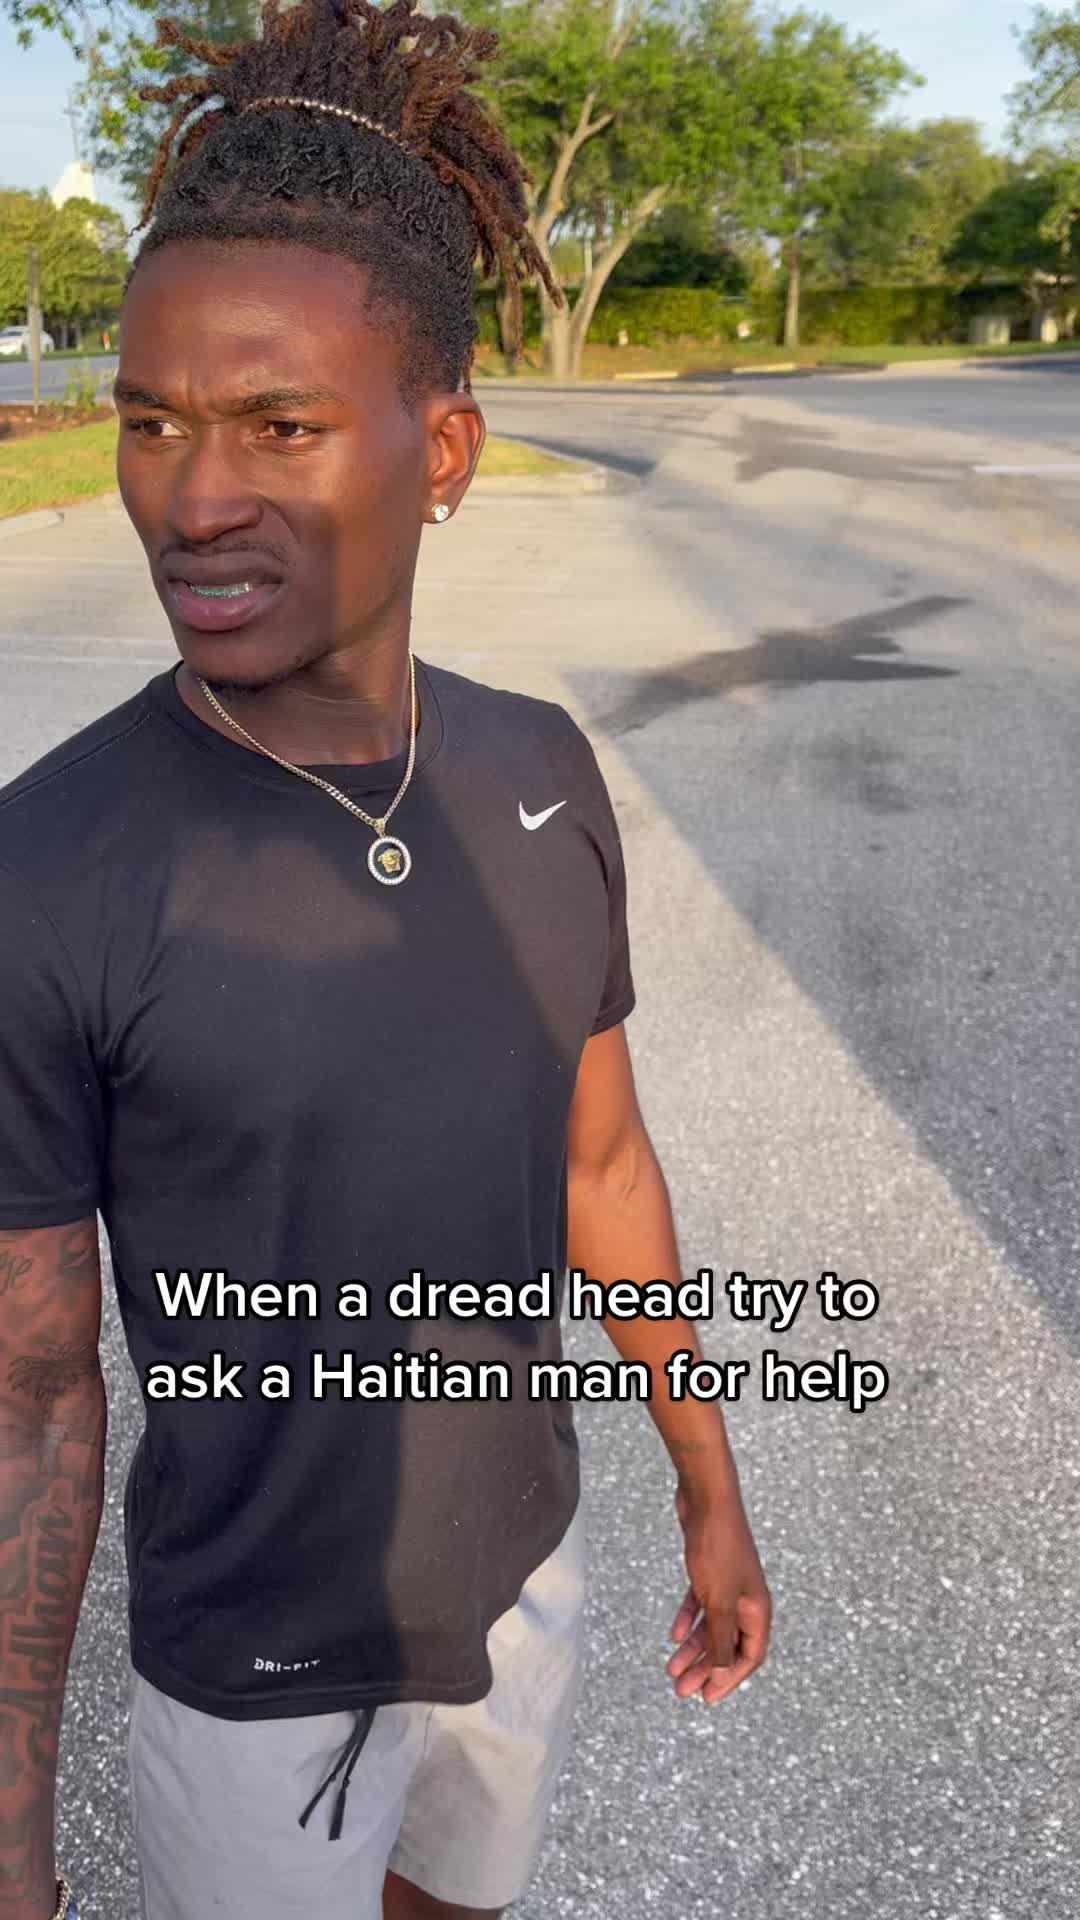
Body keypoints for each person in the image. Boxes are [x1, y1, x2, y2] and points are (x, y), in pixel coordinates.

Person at [0, 1, 771, 1915]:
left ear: (446, 450)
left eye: (279, 424)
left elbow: (603, 1166)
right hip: (254, 1674)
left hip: (524, 1575)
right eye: (152, 421)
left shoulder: (539, 770)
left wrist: (708, 1477)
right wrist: (14, 1835)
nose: (193, 498)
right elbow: (33, 1396)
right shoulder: (49, 869)